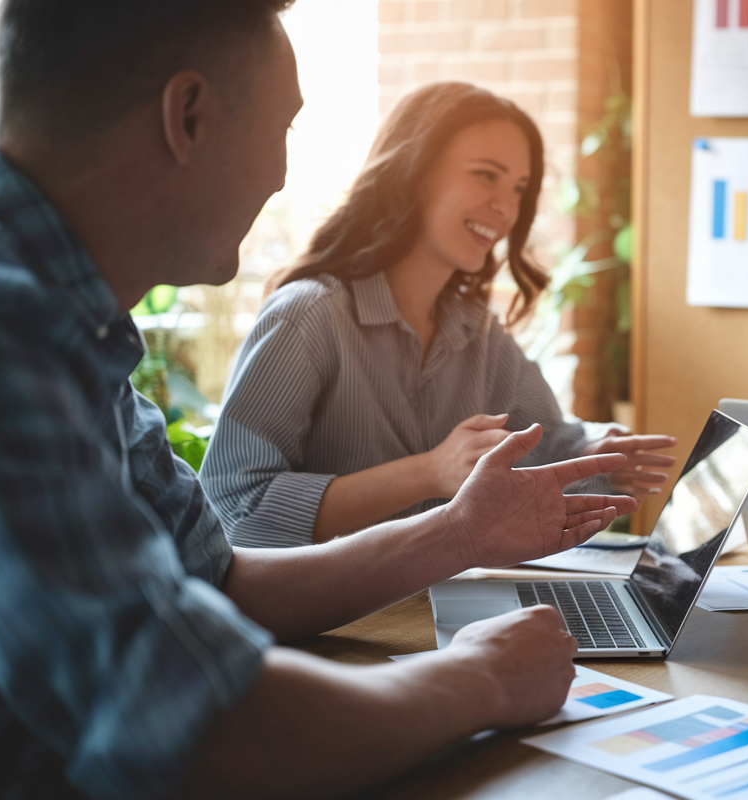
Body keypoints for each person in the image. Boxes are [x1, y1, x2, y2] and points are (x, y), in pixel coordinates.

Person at [0, 2, 641, 798]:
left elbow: (217, 580)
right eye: (284, 129)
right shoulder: (8, 333)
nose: (279, 173)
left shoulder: (79, 331)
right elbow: (197, 723)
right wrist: (483, 681)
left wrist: (464, 530)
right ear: (187, 116)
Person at [198, 82, 676, 547]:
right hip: (326, 622)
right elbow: (238, 508)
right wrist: (428, 472)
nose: (505, 207)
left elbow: (547, 445)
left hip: (435, 606)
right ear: (413, 170)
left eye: (519, 188)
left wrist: (596, 456)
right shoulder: (307, 317)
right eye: (486, 175)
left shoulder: (478, 333)